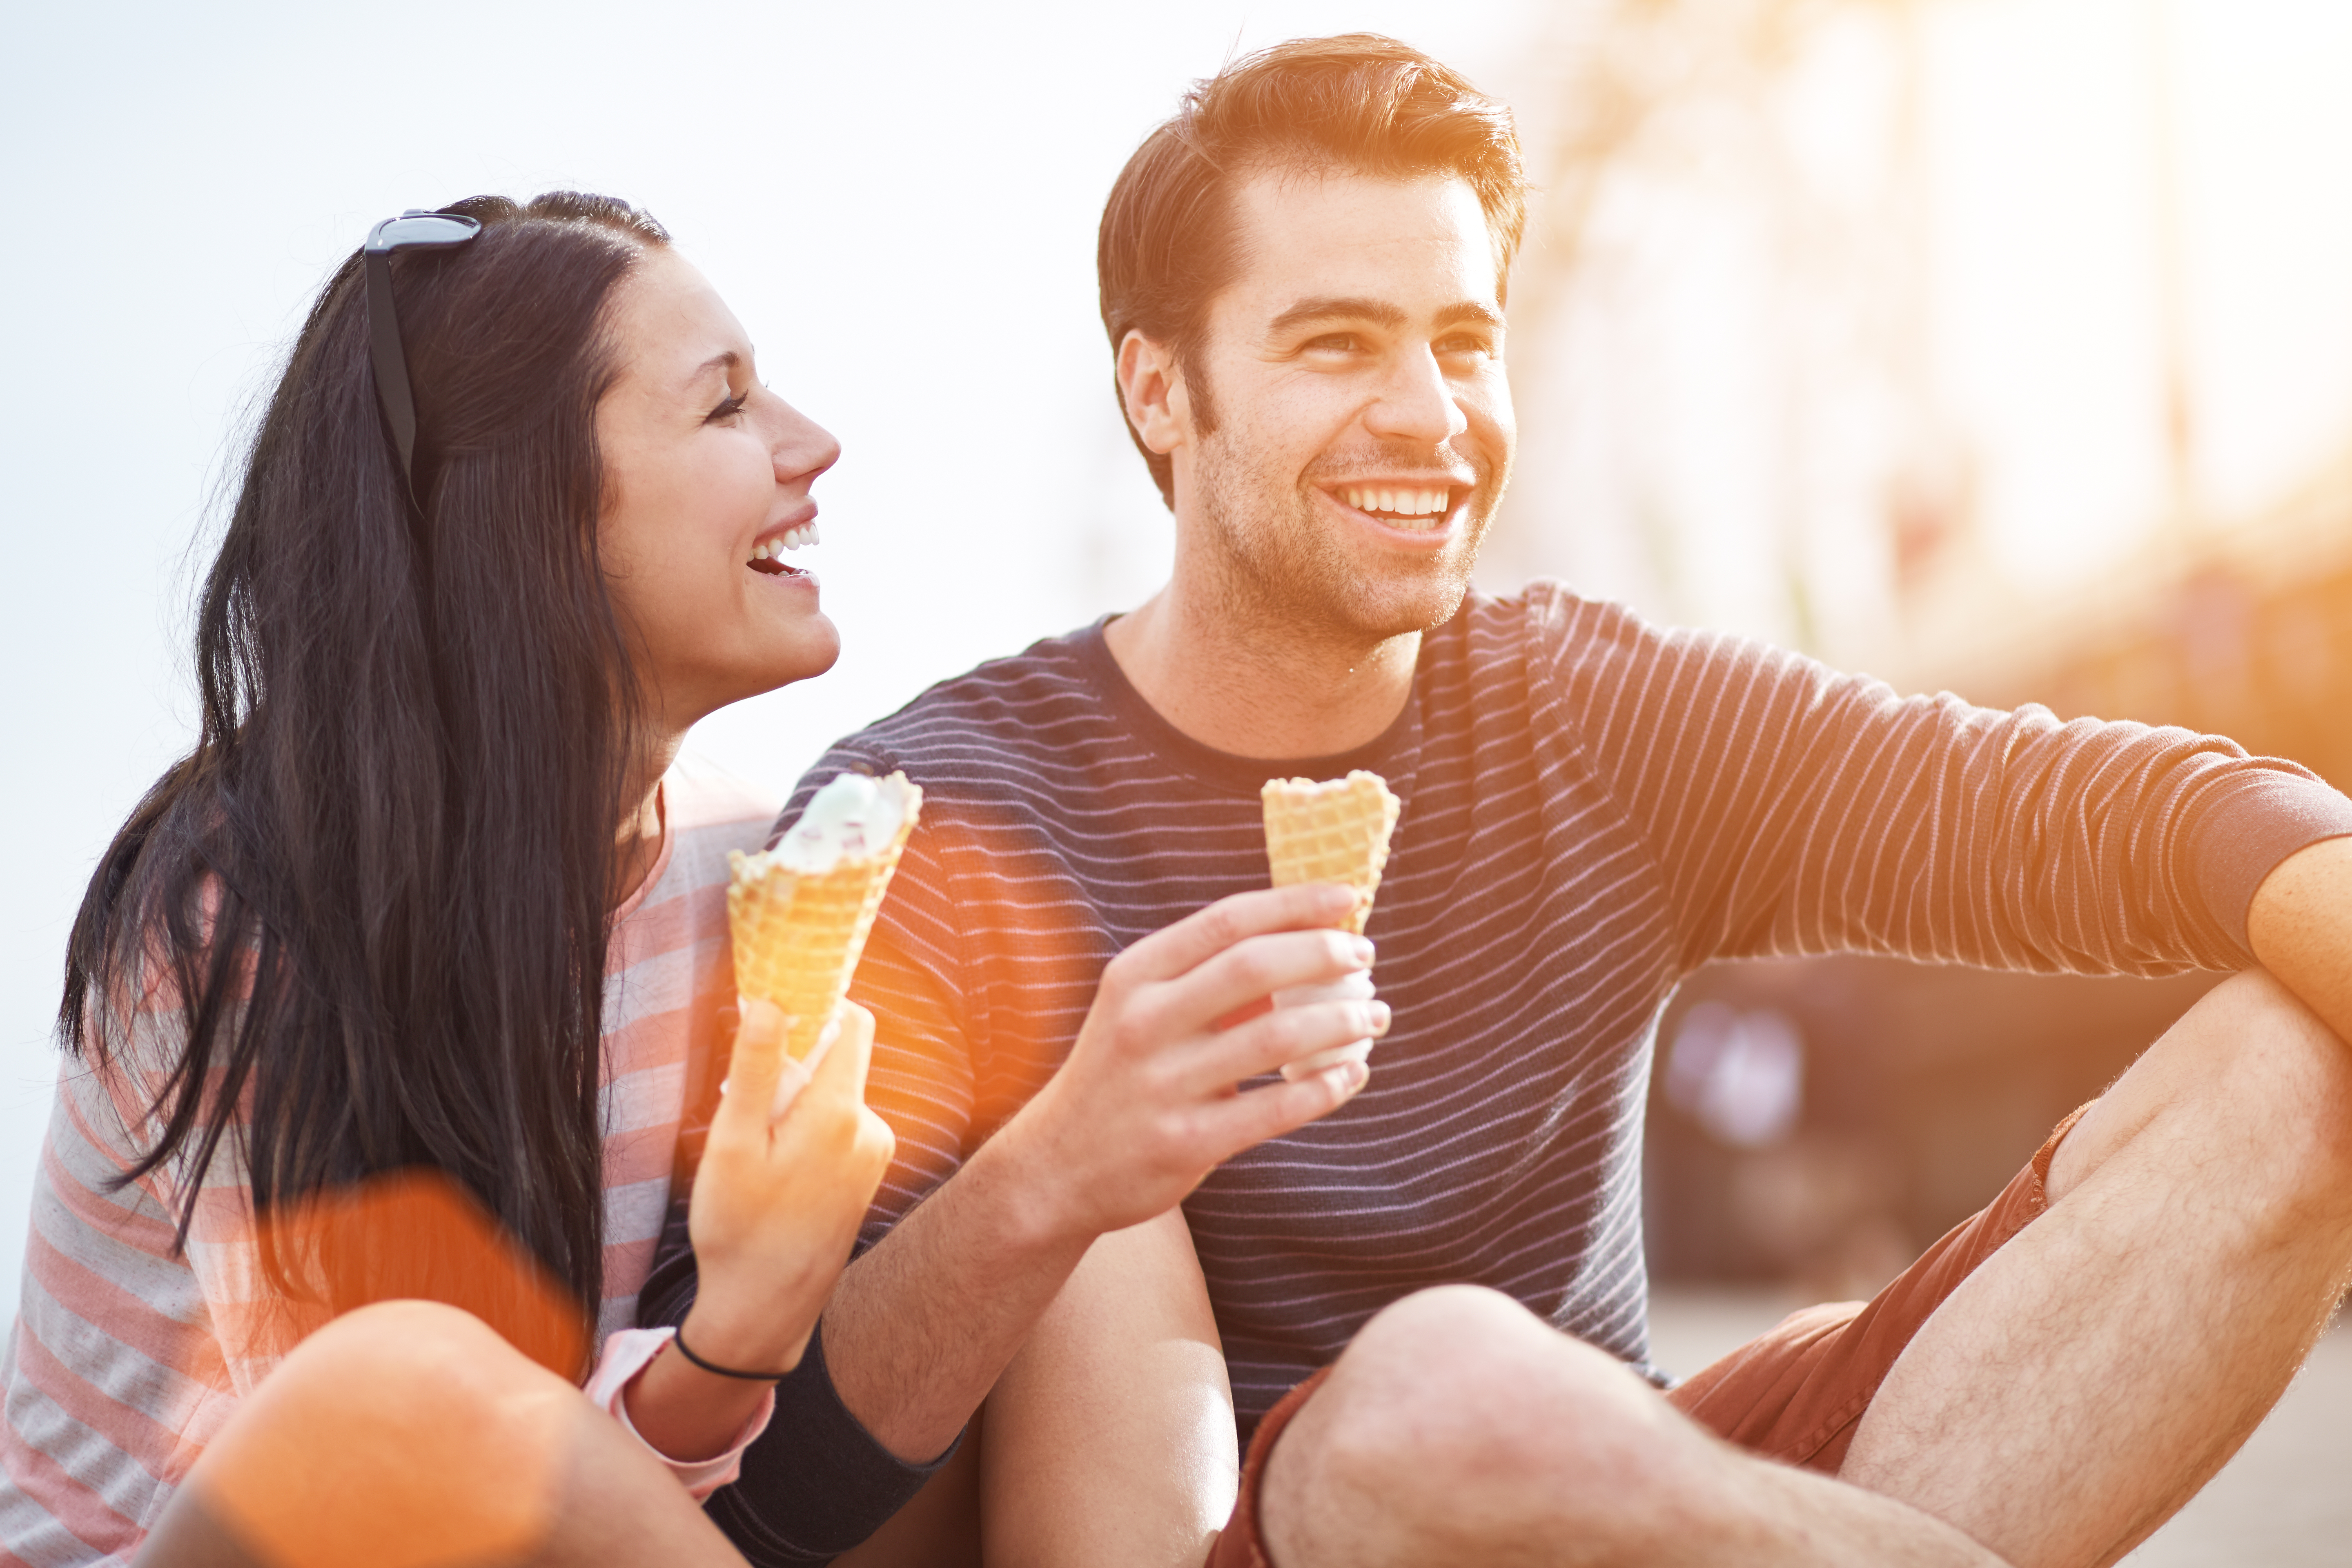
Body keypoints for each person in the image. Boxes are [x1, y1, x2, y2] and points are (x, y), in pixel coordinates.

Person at [651, 35, 2352, 1568]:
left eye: (1464, 341)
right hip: (1286, 1521)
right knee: (1443, 1392)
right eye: (1337, 344)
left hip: (1648, 1504)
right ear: (1160, 391)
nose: (1429, 416)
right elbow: (780, 1503)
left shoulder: (1593, 710)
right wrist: (1058, 1169)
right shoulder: (931, 812)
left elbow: (2129, 820)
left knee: (2290, 1074)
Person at [0, 192, 904, 1566]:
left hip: (583, 1514)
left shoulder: (751, 868)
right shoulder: (239, 918)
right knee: (406, 1375)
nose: (812, 444)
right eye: (724, 409)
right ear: (530, 509)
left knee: (1042, 1192)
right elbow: (408, 1485)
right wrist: (734, 1342)